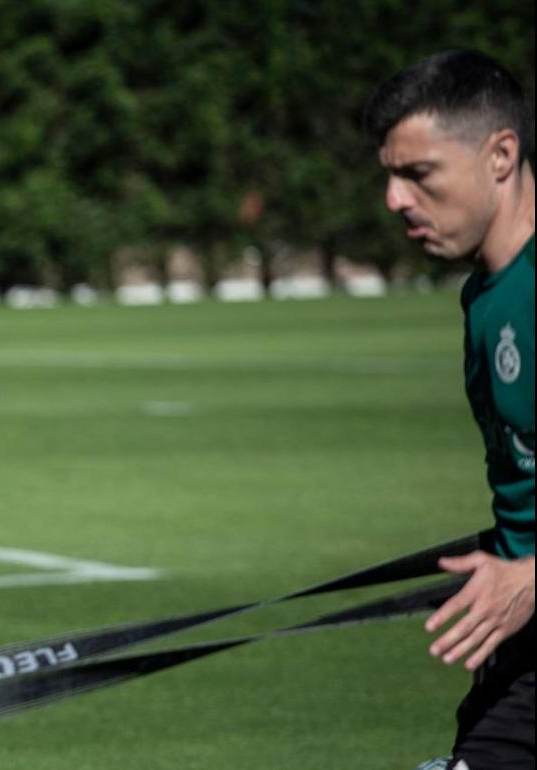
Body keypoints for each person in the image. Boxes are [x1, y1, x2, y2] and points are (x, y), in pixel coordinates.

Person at [364, 50, 534, 770]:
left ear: (501, 155)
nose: (396, 200)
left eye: (418, 175)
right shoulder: (486, 297)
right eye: (390, 176)